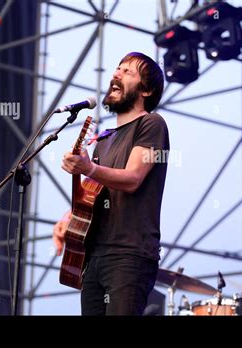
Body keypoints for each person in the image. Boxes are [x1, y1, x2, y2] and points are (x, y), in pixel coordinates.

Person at [53, 52, 169, 315]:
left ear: (147, 90)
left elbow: (133, 178)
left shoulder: (152, 124)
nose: (117, 74)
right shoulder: (103, 139)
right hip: (93, 256)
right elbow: (92, 195)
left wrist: (89, 168)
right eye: (117, 68)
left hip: (129, 255)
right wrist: (69, 218)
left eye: (128, 72)